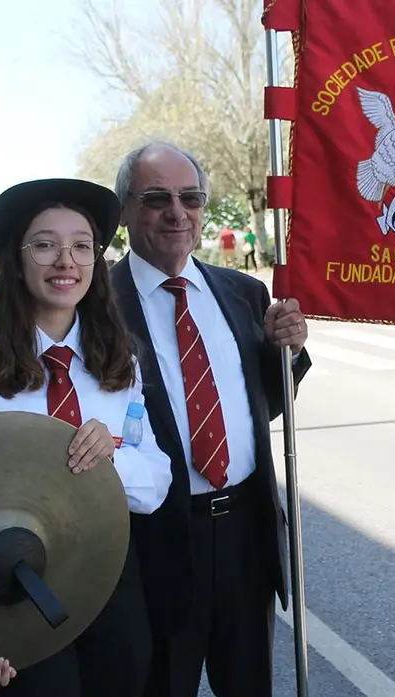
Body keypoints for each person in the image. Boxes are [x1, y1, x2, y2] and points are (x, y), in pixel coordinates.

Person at [0, 177, 173, 695]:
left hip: (110, 576)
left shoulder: (119, 360)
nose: (65, 261)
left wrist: (109, 461)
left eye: (81, 246)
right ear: (16, 259)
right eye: (45, 245)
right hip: (11, 585)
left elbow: (155, 479)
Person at [111, 142, 310, 697]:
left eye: (190, 198)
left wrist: (285, 351)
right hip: (156, 539)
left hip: (246, 532)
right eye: (157, 198)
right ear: (125, 209)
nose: (177, 212)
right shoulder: (97, 304)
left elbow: (261, 406)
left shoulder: (242, 292)